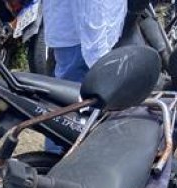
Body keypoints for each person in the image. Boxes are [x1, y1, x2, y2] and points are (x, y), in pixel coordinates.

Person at [42, 0, 128, 151]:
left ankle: (59, 156)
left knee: (72, 108)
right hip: (84, 43)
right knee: (69, 108)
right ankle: (54, 159)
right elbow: (90, 10)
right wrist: (99, 58)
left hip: (89, 39)